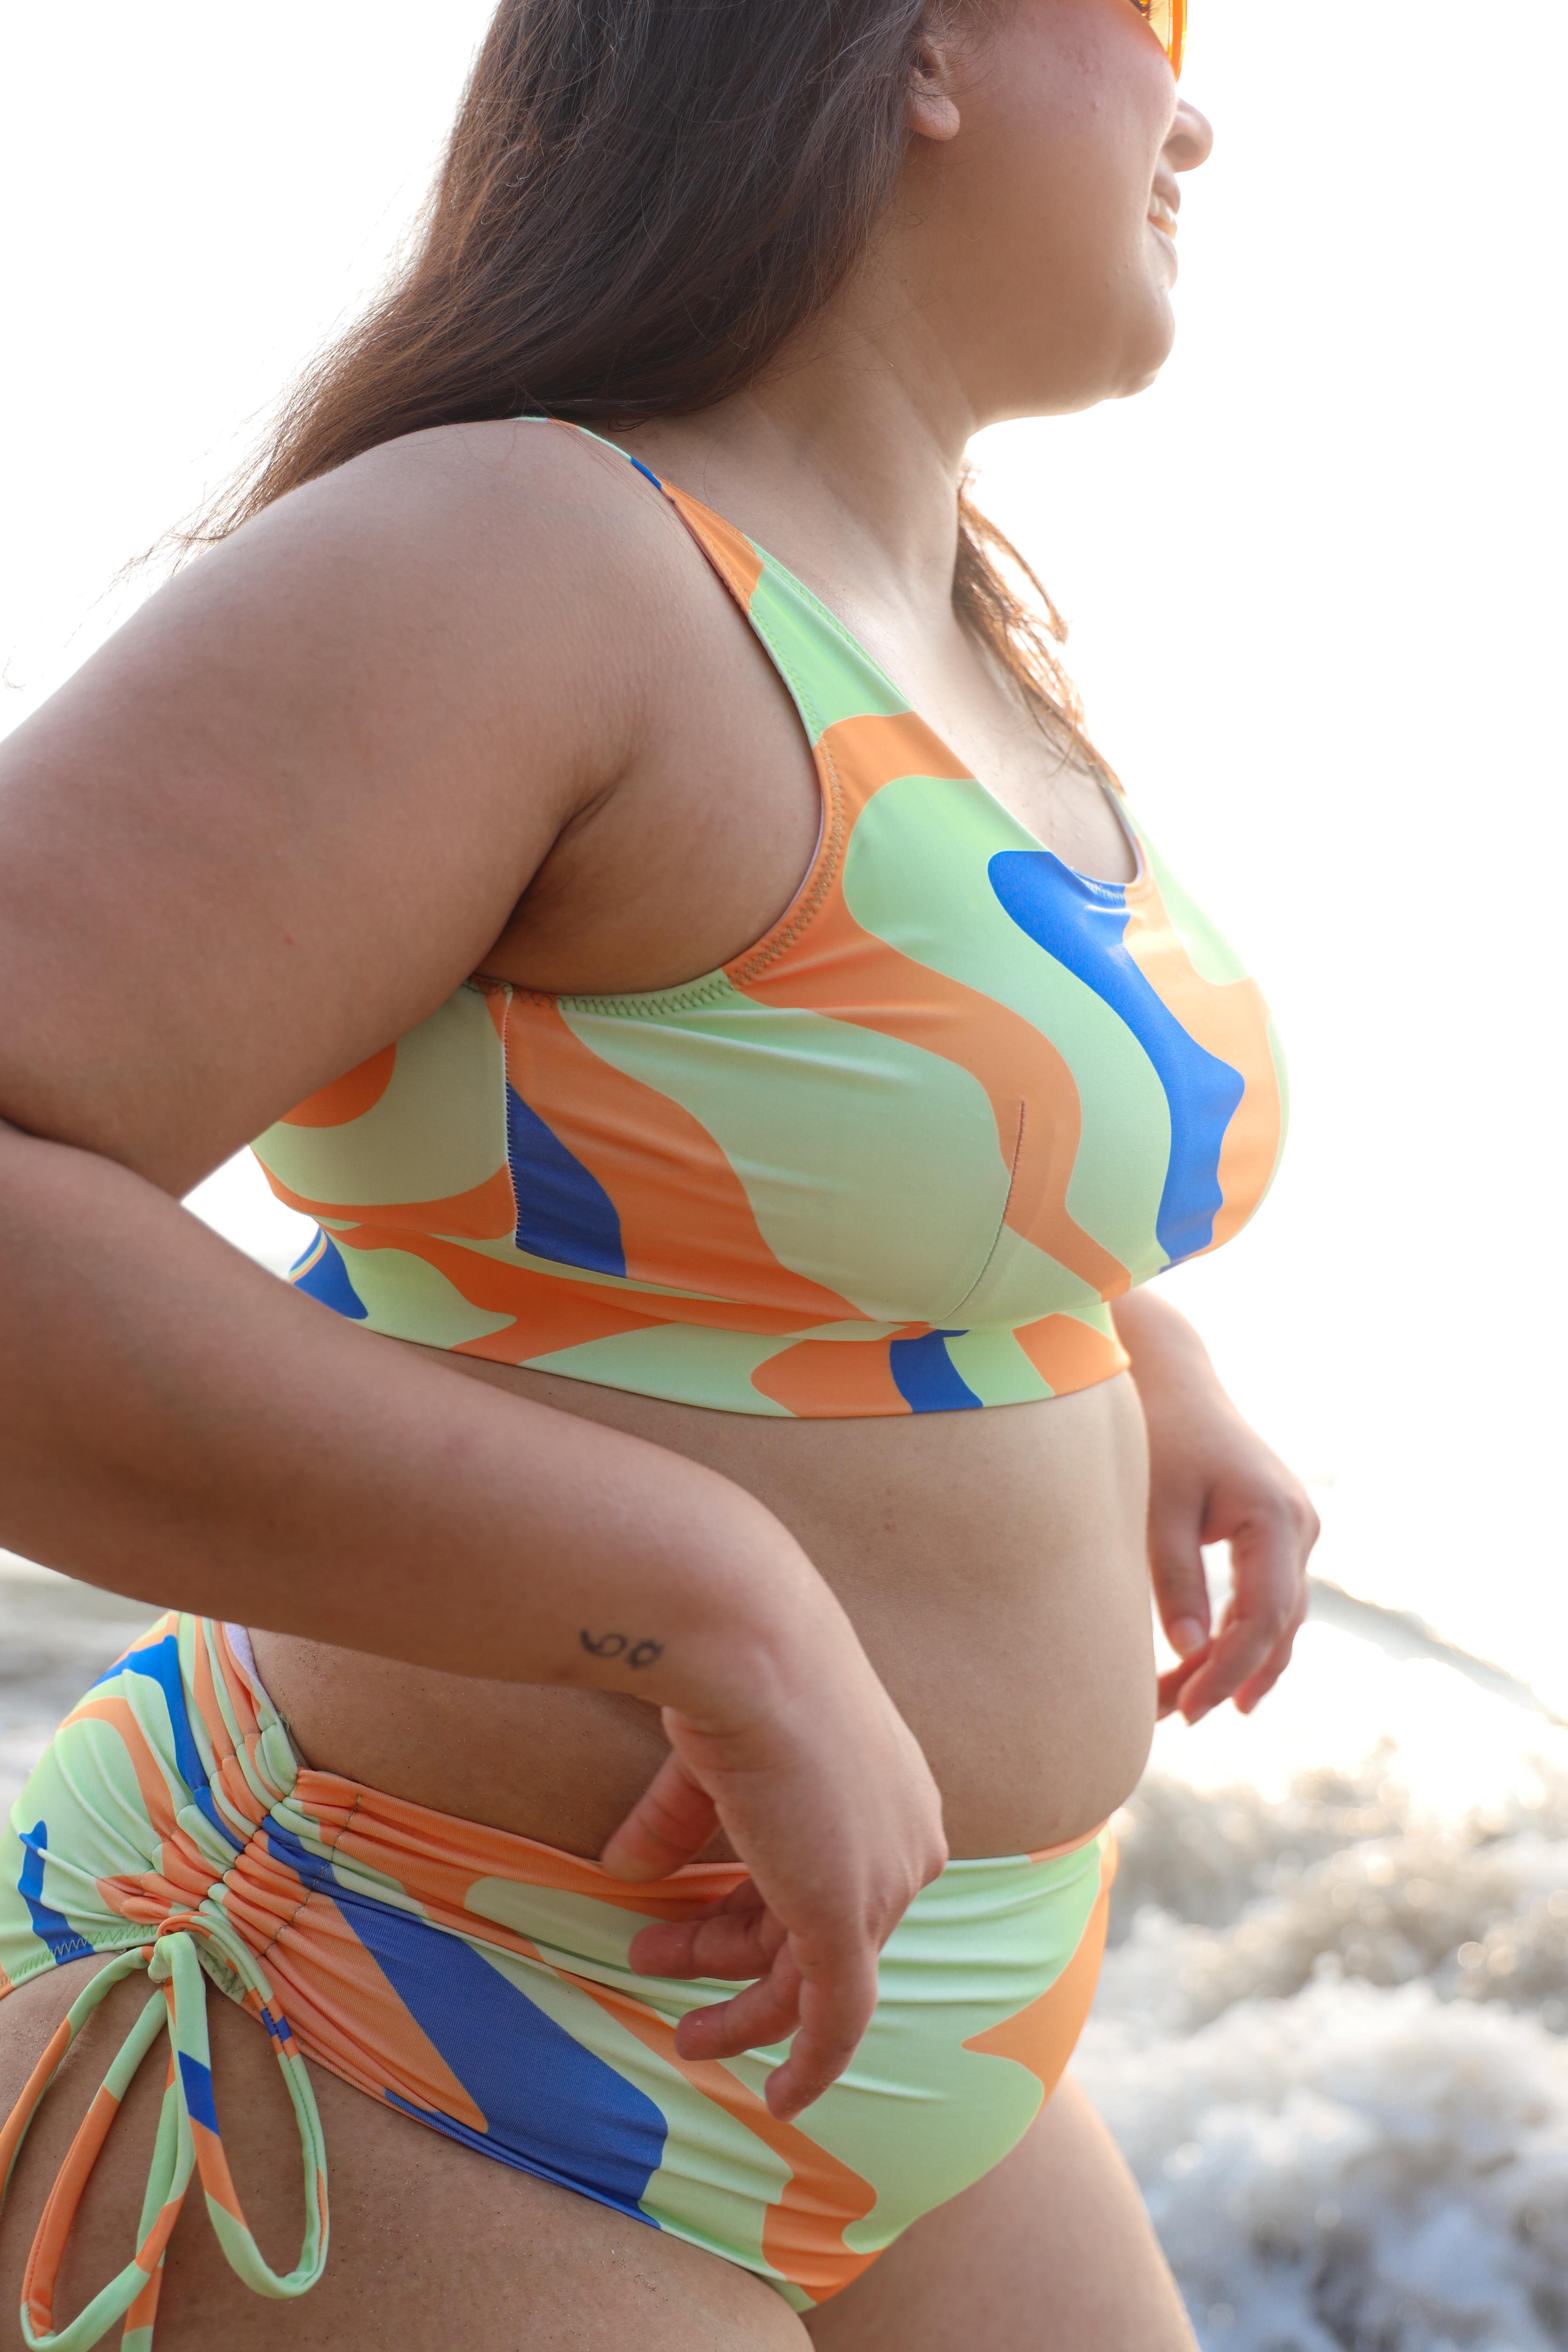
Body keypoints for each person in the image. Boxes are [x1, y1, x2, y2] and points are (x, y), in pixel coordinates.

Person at [0, 1, 1321, 2344]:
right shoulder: (527, 548)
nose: (1198, 106)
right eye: (1158, 21)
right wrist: (700, 1583)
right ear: (915, 48)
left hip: (942, 2069)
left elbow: (787, 1142)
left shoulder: (962, 639)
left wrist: (1134, 1342)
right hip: (404, 2033)